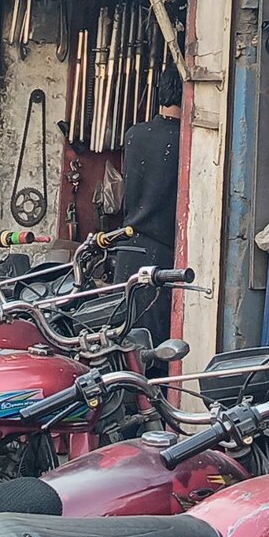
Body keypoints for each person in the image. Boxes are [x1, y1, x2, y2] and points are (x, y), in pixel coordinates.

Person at [113, 63, 182, 350]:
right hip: (160, 258)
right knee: (152, 352)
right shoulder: (186, 141)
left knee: (123, 345)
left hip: (128, 253)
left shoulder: (135, 135)